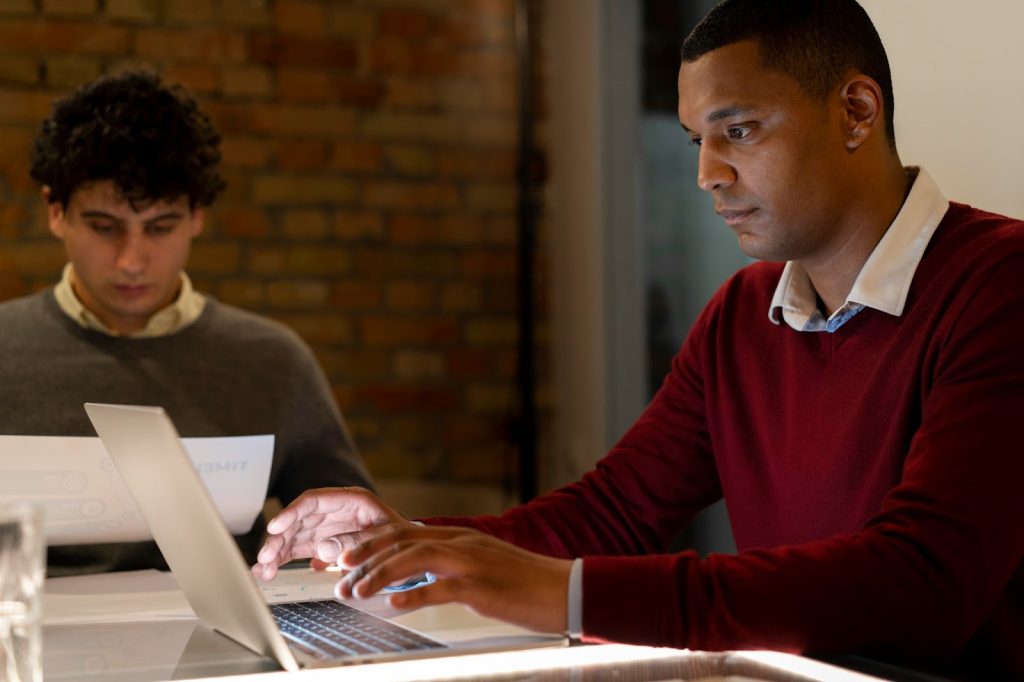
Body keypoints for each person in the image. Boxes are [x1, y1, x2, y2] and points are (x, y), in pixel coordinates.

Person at [252, 0, 1024, 677]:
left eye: (740, 131)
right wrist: (412, 542)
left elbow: (927, 582)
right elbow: (615, 512)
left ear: (857, 110)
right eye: (697, 142)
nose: (708, 175)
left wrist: (565, 592)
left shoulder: (1001, 283)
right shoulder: (742, 314)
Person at [0, 71, 374, 576]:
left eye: (160, 227)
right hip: (33, 641)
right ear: (55, 212)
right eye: (103, 227)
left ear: (196, 216)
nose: (132, 260)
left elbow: (355, 538)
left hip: (226, 640)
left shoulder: (271, 360)